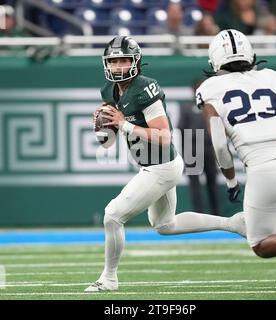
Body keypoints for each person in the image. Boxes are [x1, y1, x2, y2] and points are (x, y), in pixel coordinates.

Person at [85, 36, 246, 292]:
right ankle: (233, 223)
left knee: (112, 216)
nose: (118, 67)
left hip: (161, 166)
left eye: (123, 60)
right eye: (113, 61)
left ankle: (109, 279)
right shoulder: (109, 90)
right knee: (165, 225)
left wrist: (124, 123)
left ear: (135, 62)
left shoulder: (144, 88)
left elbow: (163, 136)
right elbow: (108, 142)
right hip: (153, 166)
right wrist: (104, 129)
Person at [196, 29, 276, 261]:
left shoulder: (209, 89)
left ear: (214, 59)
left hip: (264, 169)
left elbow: (221, 147)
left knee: (261, 244)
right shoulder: (272, 77)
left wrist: (232, 181)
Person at [178, 80, 220, 214]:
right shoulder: (186, 107)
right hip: (192, 148)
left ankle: (216, 213)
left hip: (209, 147)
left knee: (212, 183)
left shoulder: (211, 107)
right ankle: (198, 214)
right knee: (195, 185)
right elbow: (181, 128)